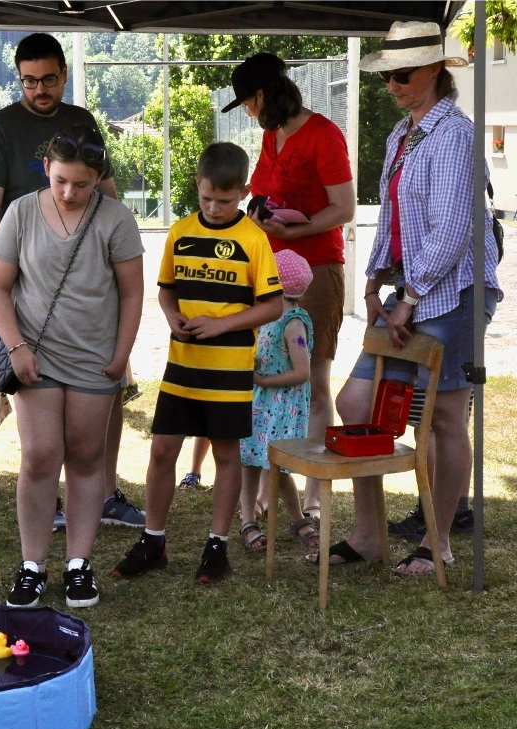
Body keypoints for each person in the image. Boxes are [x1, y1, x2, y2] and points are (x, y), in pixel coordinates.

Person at [320, 21, 501, 575]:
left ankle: (437, 542)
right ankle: (370, 536)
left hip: (454, 294)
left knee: (446, 419)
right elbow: (392, 219)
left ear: (435, 72)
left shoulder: (456, 135)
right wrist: (374, 282)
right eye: (386, 76)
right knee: (354, 404)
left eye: (401, 75)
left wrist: (411, 296)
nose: (392, 85)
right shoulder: (404, 135)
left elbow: (453, 229)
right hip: (411, 291)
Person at [0, 31, 143, 529]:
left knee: (106, 397)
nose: (39, 89)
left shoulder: (82, 121)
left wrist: (117, 239)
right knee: (41, 436)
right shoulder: (0, 125)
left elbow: (106, 190)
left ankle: (103, 491)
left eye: (48, 79)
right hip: (27, 271)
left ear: (63, 76)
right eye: (29, 81)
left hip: (90, 284)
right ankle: (46, 520)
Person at [0, 125, 144, 608]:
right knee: (39, 456)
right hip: (35, 354)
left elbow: (133, 292)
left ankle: (79, 564)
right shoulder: (20, 212)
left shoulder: (116, 218)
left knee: (86, 457)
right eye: (59, 181)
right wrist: (15, 348)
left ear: (98, 177)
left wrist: (121, 356)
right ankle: (32, 565)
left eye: (82, 183)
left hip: (96, 360)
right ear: (46, 170)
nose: (69, 192)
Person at [112, 142, 281, 584]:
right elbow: (166, 289)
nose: (215, 207)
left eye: (225, 201)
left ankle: (217, 546)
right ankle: (154, 539)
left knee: (226, 454)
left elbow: (273, 306)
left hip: (229, 371)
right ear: (197, 186)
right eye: (207, 198)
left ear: (243, 192)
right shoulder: (181, 231)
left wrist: (222, 326)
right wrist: (172, 316)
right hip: (182, 367)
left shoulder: (254, 240)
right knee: (163, 448)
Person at [223, 52, 356, 521]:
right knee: (274, 380)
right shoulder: (271, 136)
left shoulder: (323, 134)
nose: (247, 111)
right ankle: (274, 483)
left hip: (316, 271)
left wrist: (296, 231)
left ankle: (317, 493)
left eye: (247, 101)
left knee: (315, 383)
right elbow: (264, 191)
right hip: (273, 270)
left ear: (263, 95)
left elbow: (344, 208)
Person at [238, 249, 317, 552]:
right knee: (249, 461)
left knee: (277, 467)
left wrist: (263, 381)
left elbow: (302, 371)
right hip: (260, 402)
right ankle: (248, 519)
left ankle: (296, 517)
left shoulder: (292, 324)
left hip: (281, 406)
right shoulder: (267, 314)